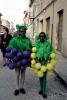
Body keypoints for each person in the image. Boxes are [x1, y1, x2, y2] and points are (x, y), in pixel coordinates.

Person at [6, 24, 32, 96]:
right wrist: (10, 56)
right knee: (17, 74)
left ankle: (21, 87)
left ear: (25, 32)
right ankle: (17, 88)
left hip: (24, 60)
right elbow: (9, 48)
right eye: (21, 31)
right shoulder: (14, 40)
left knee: (23, 74)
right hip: (16, 60)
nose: (22, 33)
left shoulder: (27, 40)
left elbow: (31, 48)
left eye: (24, 32)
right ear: (18, 32)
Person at [33, 32, 55, 99]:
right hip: (39, 61)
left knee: (44, 76)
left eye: (43, 36)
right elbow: (34, 51)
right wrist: (36, 59)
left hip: (45, 61)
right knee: (40, 75)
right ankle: (41, 89)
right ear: (39, 37)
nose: (41, 38)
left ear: (45, 37)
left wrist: (49, 59)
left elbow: (52, 51)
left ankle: (44, 92)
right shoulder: (37, 43)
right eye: (40, 36)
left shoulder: (48, 43)